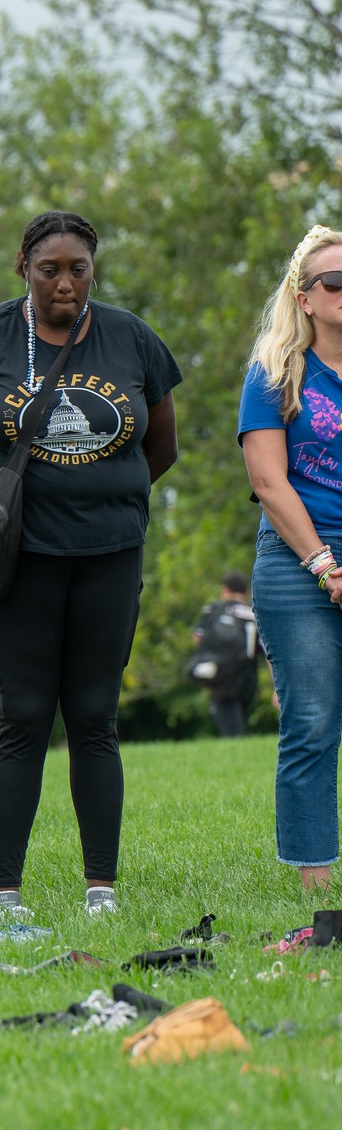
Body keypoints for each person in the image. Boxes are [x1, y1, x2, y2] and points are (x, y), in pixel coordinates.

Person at [0, 211, 182, 919]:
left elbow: (160, 447)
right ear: (22, 268)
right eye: (50, 270)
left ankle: (102, 888)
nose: (65, 283)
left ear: (93, 270)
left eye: (78, 270)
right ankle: (7, 893)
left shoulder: (130, 337)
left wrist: (107, 501)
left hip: (109, 557)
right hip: (21, 564)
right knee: (24, 717)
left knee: (95, 716)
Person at [241, 223, 342, 894]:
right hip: (297, 564)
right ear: (305, 298)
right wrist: (325, 566)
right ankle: (317, 881)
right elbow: (270, 482)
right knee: (313, 719)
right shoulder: (276, 372)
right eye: (335, 283)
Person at [188, 572, 259, 738]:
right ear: (246, 592)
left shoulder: (213, 610)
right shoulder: (253, 614)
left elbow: (197, 638)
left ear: (224, 590)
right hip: (248, 676)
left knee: (231, 732)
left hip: (221, 675)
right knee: (239, 722)